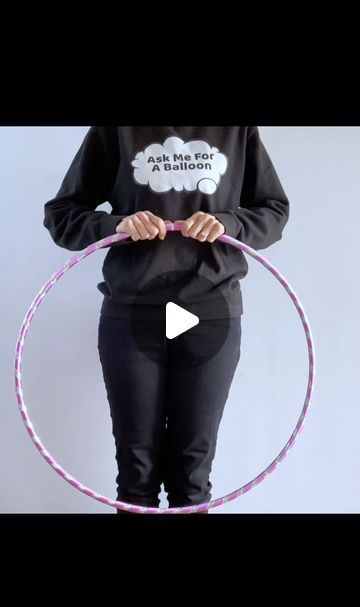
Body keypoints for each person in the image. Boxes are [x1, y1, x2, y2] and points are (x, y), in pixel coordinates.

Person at [44, 126, 289, 514]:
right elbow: (61, 215)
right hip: (133, 311)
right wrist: (116, 226)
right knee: (136, 472)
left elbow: (274, 210)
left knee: (192, 474)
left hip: (209, 310)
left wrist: (229, 224)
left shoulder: (236, 129)